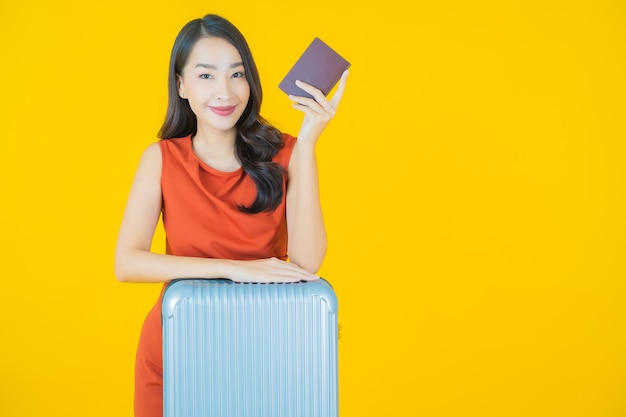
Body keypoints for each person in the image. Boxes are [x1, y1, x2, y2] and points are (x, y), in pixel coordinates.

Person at [114, 14, 348, 417]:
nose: (224, 92)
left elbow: (309, 262)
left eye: (236, 74)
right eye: (205, 76)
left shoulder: (288, 153)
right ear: (181, 85)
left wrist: (308, 143)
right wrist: (234, 270)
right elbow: (126, 262)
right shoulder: (161, 160)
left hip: (265, 356)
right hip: (176, 352)